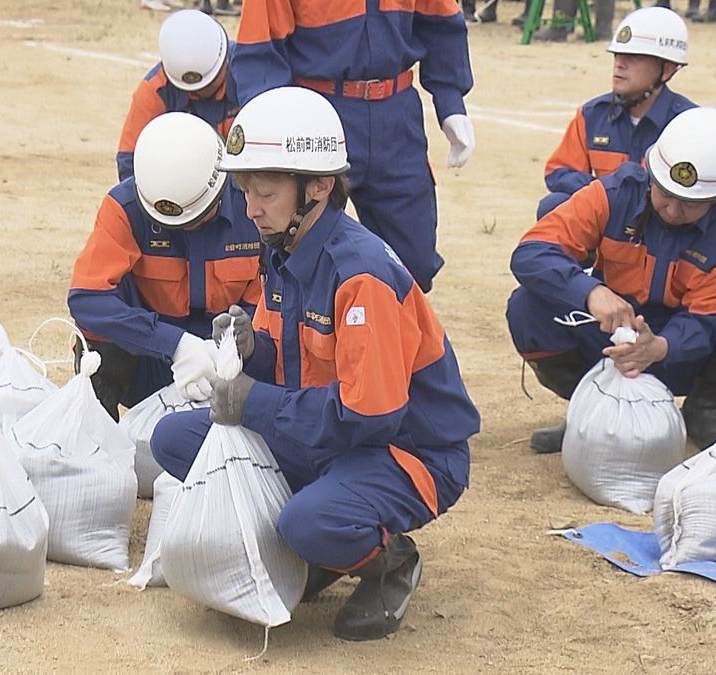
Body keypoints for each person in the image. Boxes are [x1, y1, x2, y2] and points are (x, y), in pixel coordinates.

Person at [149, 88, 480, 641]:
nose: (250, 207)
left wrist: (254, 401)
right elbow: (298, 364)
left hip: (407, 450)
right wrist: (255, 348)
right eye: (245, 189)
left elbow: (369, 415)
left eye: (266, 191)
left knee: (309, 521)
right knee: (176, 440)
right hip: (337, 437)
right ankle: (317, 544)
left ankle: (388, 560)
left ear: (319, 187)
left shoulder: (361, 275)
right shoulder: (284, 247)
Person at [507, 107, 716, 455]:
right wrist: (591, 292)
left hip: (679, 356)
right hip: (608, 339)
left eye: (690, 203)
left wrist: (660, 346)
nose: (672, 210)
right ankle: (589, 409)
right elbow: (531, 252)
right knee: (527, 304)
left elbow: (708, 322)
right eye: (664, 194)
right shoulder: (611, 195)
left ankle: (702, 410)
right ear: (650, 175)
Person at [229, 0, 475, 293]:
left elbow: (441, 24)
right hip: (315, 115)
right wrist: (276, 130)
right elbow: (260, 48)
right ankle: (304, 333)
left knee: (413, 262)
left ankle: (388, 332)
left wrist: (451, 103)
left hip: (396, 117)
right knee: (301, 248)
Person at [69, 113, 262, 421]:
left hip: (231, 362)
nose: (187, 230)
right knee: (96, 345)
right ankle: (99, 449)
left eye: (197, 219)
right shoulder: (125, 208)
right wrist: (175, 345)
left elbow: (279, 296)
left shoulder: (255, 207)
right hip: (150, 357)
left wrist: (233, 348)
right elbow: (87, 300)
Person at [539, 7, 695, 219]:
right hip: (608, 224)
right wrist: (604, 192)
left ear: (667, 69)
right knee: (553, 206)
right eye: (618, 55)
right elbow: (558, 172)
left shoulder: (690, 126)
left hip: (659, 233)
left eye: (634, 56)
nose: (620, 64)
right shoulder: (592, 114)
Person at [117, 10, 241, 181]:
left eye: (210, 83)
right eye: (195, 89)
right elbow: (129, 161)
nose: (203, 92)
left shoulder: (248, 72)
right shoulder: (156, 90)